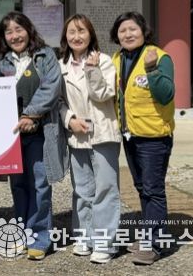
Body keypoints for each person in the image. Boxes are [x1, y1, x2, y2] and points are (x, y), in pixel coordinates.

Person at [0, 11, 66, 261]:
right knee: (18, 186)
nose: (15, 36)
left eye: (19, 29)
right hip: (12, 135)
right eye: (9, 32)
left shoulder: (45, 55)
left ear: (29, 30)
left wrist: (31, 115)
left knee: (40, 184)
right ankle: (21, 234)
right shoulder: (3, 60)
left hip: (41, 131)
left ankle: (40, 237)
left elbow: (51, 87)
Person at [109, 11, 175, 266]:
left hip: (154, 136)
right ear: (116, 35)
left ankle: (155, 244)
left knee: (153, 190)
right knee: (142, 188)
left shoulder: (160, 57)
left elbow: (166, 94)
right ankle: (149, 235)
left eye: (132, 29)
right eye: (122, 30)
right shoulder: (117, 59)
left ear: (144, 31)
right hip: (130, 135)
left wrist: (151, 70)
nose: (128, 34)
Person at [58, 14, 120, 264]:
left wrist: (92, 70)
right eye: (71, 32)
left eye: (81, 31)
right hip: (77, 135)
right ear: (65, 37)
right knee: (82, 190)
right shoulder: (60, 65)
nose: (77, 36)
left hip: (103, 134)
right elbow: (58, 101)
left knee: (105, 189)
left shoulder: (103, 61)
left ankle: (105, 243)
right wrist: (69, 120)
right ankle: (85, 237)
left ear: (91, 34)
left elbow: (104, 95)